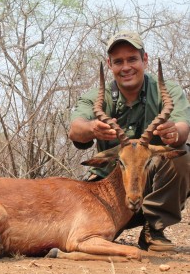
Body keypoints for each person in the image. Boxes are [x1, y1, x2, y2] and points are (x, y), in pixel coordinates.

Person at [68, 30, 190, 252]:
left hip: (150, 185)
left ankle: (154, 229)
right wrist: (92, 128)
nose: (126, 67)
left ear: (145, 59)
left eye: (132, 59)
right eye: (118, 61)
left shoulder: (166, 91)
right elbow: (76, 130)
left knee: (183, 154)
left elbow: (182, 127)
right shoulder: (98, 96)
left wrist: (174, 133)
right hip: (111, 185)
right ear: (110, 64)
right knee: (91, 232)